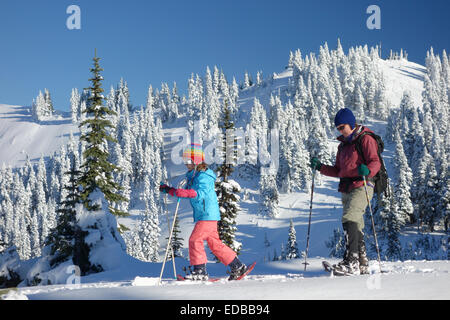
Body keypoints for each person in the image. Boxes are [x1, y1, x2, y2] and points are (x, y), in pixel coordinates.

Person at [160, 143, 248, 280]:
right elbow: (183, 191)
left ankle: (199, 270)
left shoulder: (204, 177)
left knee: (195, 240)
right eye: (184, 161)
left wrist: (183, 193)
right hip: (208, 214)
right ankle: (237, 266)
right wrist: (169, 190)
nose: (186, 164)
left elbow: (199, 193)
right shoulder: (194, 175)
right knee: (215, 244)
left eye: (188, 161)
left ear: (196, 161)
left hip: (207, 215)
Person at [310, 108, 381, 275]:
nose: (340, 130)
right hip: (347, 187)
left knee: (350, 217)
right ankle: (362, 261)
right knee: (356, 222)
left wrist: (367, 171)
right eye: (338, 128)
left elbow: (375, 161)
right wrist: (321, 167)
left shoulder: (365, 139)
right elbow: (338, 170)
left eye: (342, 127)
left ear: (350, 123)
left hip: (363, 184)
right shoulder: (342, 146)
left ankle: (351, 261)